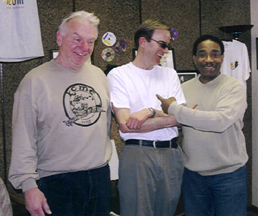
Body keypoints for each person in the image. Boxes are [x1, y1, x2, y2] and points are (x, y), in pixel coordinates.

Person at [9, 11, 112, 216]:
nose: (84, 48)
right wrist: (29, 186)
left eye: (90, 41)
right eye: (77, 39)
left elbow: (105, 127)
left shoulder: (99, 76)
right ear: (59, 37)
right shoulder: (34, 81)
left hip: (99, 178)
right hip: (56, 182)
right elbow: (23, 139)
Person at [157, 34, 248, 216]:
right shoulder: (183, 89)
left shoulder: (234, 87)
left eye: (215, 54)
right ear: (194, 59)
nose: (208, 60)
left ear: (222, 58)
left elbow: (220, 121)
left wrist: (175, 109)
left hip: (229, 175)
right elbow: (180, 122)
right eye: (202, 54)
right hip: (193, 175)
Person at [107, 20, 186, 216]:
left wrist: (148, 112)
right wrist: (166, 115)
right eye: (163, 44)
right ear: (143, 42)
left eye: (168, 46)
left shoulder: (171, 74)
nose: (166, 50)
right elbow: (126, 125)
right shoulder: (119, 75)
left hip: (171, 154)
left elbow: (182, 117)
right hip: (138, 155)